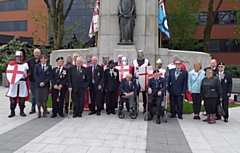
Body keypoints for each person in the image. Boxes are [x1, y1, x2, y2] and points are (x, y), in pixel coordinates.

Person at [6, 51, 29, 118]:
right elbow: (9, 73)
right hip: (14, 82)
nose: (18, 59)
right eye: (17, 57)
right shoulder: (11, 64)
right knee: (13, 97)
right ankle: (12, 111)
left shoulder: (25, 65)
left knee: (22, 97)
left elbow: (28, 72)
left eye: (20, 57)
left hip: (22, 82)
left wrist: (27, 74)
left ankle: (22, 111)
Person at [27, 48, 41, 114]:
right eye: (36, 53)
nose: (37, 54)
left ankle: (42, 108)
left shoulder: (42, 60)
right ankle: (33, 108)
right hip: (32, 80)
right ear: (33, 53)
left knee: (40, 95)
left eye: (38, 53)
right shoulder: (29, 61)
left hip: (40, 81)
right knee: (33, 95)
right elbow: (27, 69)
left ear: (40, 54)